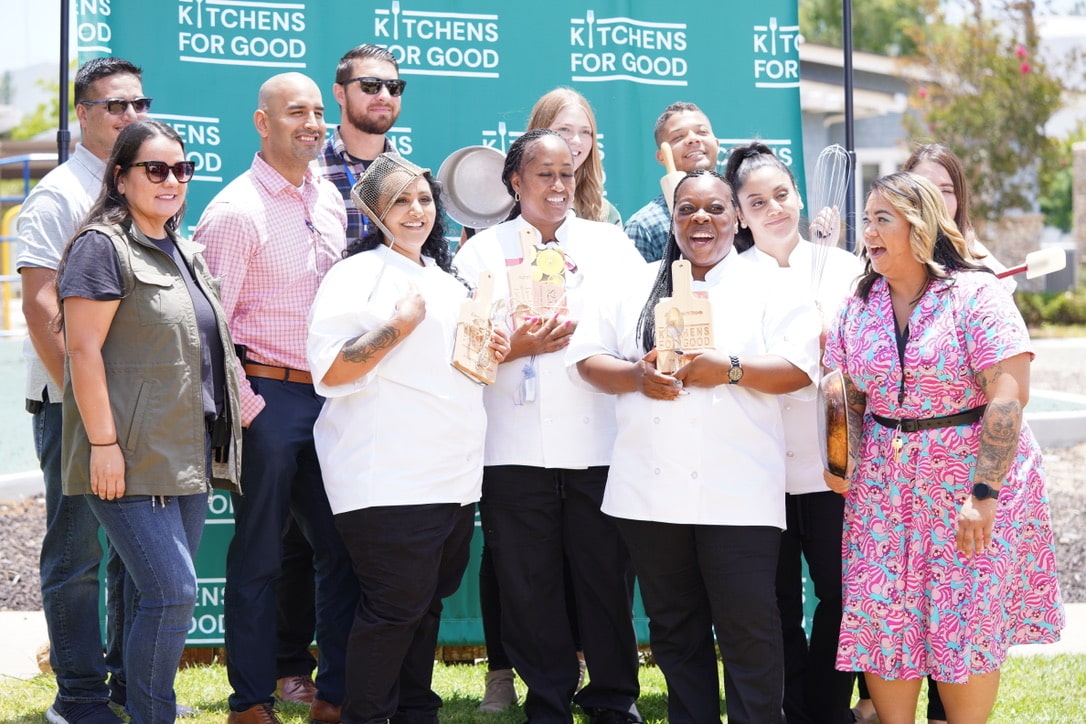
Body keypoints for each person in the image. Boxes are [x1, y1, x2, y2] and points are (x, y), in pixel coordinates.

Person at [570, 170, 820, 724]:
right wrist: (636, 377)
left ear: (736, 217)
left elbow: (800, 369)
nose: (700, 219)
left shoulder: (771, 285)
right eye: (687, 210)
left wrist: (728, 369)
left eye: (714, 209)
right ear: (672, 218)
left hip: (740, 493)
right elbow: (588, 360)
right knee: (674, 632)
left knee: (749, 630)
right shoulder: (631, 284)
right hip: (651, 495)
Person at [823, 172, 1065, 724]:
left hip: (967, 481)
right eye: (867, 220)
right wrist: (842, 455)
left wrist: (984, 494)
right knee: (884, 614)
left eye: (884, 219)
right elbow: (848, 395)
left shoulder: (976, 295)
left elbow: (1008, 395)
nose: (870, 232)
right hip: (882, 487)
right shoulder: (857, 307)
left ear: (923, 225)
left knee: (964, 615)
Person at [307, 152, 509, 724]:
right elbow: (331, 372)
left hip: (453, 477)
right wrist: (397, 326)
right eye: (400, 200)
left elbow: (458, 369)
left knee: (424, 610)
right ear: (373, 211)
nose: (416, 210)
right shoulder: (354, 275)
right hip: (387, 479)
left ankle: (416, 711)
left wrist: (486, 351)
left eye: (423, 198)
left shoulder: (446, 280)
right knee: (395, 610)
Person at [453, 128, 646, 724]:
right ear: (515, 181)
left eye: (567, 173)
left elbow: (642, 328)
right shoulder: (479, 252)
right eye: (544, 174)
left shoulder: (610, 245)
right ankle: (548, 699)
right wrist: (515, 347)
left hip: (598, 443)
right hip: (512, 448)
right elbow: (464, 353)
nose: (558, 185)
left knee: (603, 579)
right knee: (527, 582)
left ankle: (614, 698)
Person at [56, 119, 242, 724]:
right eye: (154, 169)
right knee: (173, 592)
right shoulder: (101, 247)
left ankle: (143, 706)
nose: (171, 180)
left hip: (184, 453)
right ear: (120, 176)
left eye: (181, 169)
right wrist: (104, 444)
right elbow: (82, 353)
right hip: (128, 455)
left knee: (157, 598)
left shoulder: (182, 248)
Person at [193, 72, 357, 724]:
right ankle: (250, 703)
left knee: (344, 552)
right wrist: (251, 410)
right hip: (267, 399)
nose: (312, 123)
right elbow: (208, 329)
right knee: (259, 556)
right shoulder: (236, 212)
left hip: (329, 401)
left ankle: (337, 697)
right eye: (296, 112)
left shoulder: (328, 198)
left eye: (319, 112)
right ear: (263, 124)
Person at [16, 56, 149, 724]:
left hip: (138, 409)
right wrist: (84, 403)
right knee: (75, 557)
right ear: (83, 114)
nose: (129, 116)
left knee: (135, 558)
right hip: (74, 409)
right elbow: (42, 309)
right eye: (113, 105)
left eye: (136, 104)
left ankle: (126, 686)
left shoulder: (142, 190)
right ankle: (77, 698)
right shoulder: (58, 196)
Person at [723, 142, 863, 724]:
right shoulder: (730, 276)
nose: (773, 209)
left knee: (839, 594)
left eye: (781, 195)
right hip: (759, 467)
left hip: (836, 465)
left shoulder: (847, 269)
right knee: (773, 600)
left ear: (799, 196)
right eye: (757, 202)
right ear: (738, 213)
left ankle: (826, 707)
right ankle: (784, 706)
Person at [316, 43, 405, 243]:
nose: (384, 96)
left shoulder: (412, 179)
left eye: (393, 87)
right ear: (340, 94)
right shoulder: (308, 173)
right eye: (370, 85)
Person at [624, 101, 719, 262]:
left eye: (702, 132)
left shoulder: (745, 208)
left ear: (716, 143)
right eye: (679, 137)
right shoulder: (644, 226)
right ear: (662, 156)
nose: (693, 139)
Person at [527, 87, 621, 224]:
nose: (576, 140)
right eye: (564, 129)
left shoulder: (603, 214)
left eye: (585, 132)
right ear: (538, 132)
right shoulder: (503, 204)